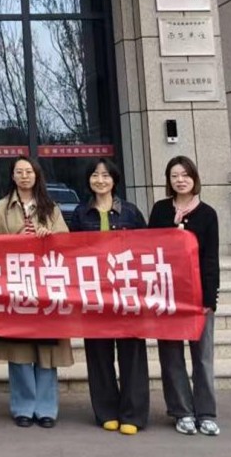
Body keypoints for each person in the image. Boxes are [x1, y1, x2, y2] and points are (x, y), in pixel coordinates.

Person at [0, 155, 73, 429]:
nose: (24, 176)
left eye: (29, 171)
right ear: (12, 176)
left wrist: (50, 237)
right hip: (16, 285)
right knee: (20, 351)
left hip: (46, 287)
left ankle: (46, 409)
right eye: (19, 171)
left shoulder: (51, 207)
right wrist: (14, 239)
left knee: (46, 351)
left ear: (37, 175)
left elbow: (67, 243)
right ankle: (23, 407)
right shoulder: (1, 207)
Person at [68, 159, 149, 435]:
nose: (100, 180)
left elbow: (148, 249)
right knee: (98, 354)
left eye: (105, 175)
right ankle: (106, 411)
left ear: (114, 180)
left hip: (127, 294)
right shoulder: (81, 214)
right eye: (95, 175)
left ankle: (133, 414)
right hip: (94, 294)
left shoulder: (131, 212)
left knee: (132, 355)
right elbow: (72, 253)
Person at [148, 156, 220, 436]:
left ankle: (206, 412)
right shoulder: (160, 210)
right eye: (174, 175)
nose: (180, 180)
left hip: (197, 295)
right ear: (168, 180)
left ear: (194, 178)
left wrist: (209, 300)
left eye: (185, 175)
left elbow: (211, 259)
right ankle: (182, 412)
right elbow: (149, 251)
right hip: (167, 294)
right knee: (171, 356)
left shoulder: (207, 214)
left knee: (202, 357)